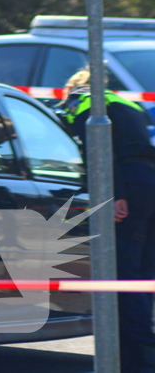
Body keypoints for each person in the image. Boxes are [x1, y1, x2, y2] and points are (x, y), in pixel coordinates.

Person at [62, 69, 155, 373]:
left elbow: (98, 151)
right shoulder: (128, 103)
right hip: (149, 181)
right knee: (142, 272)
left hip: (128, 182)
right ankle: (133, 357)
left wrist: (115, 193)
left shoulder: (84, 103)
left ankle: (143, 356)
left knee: (124, 271)